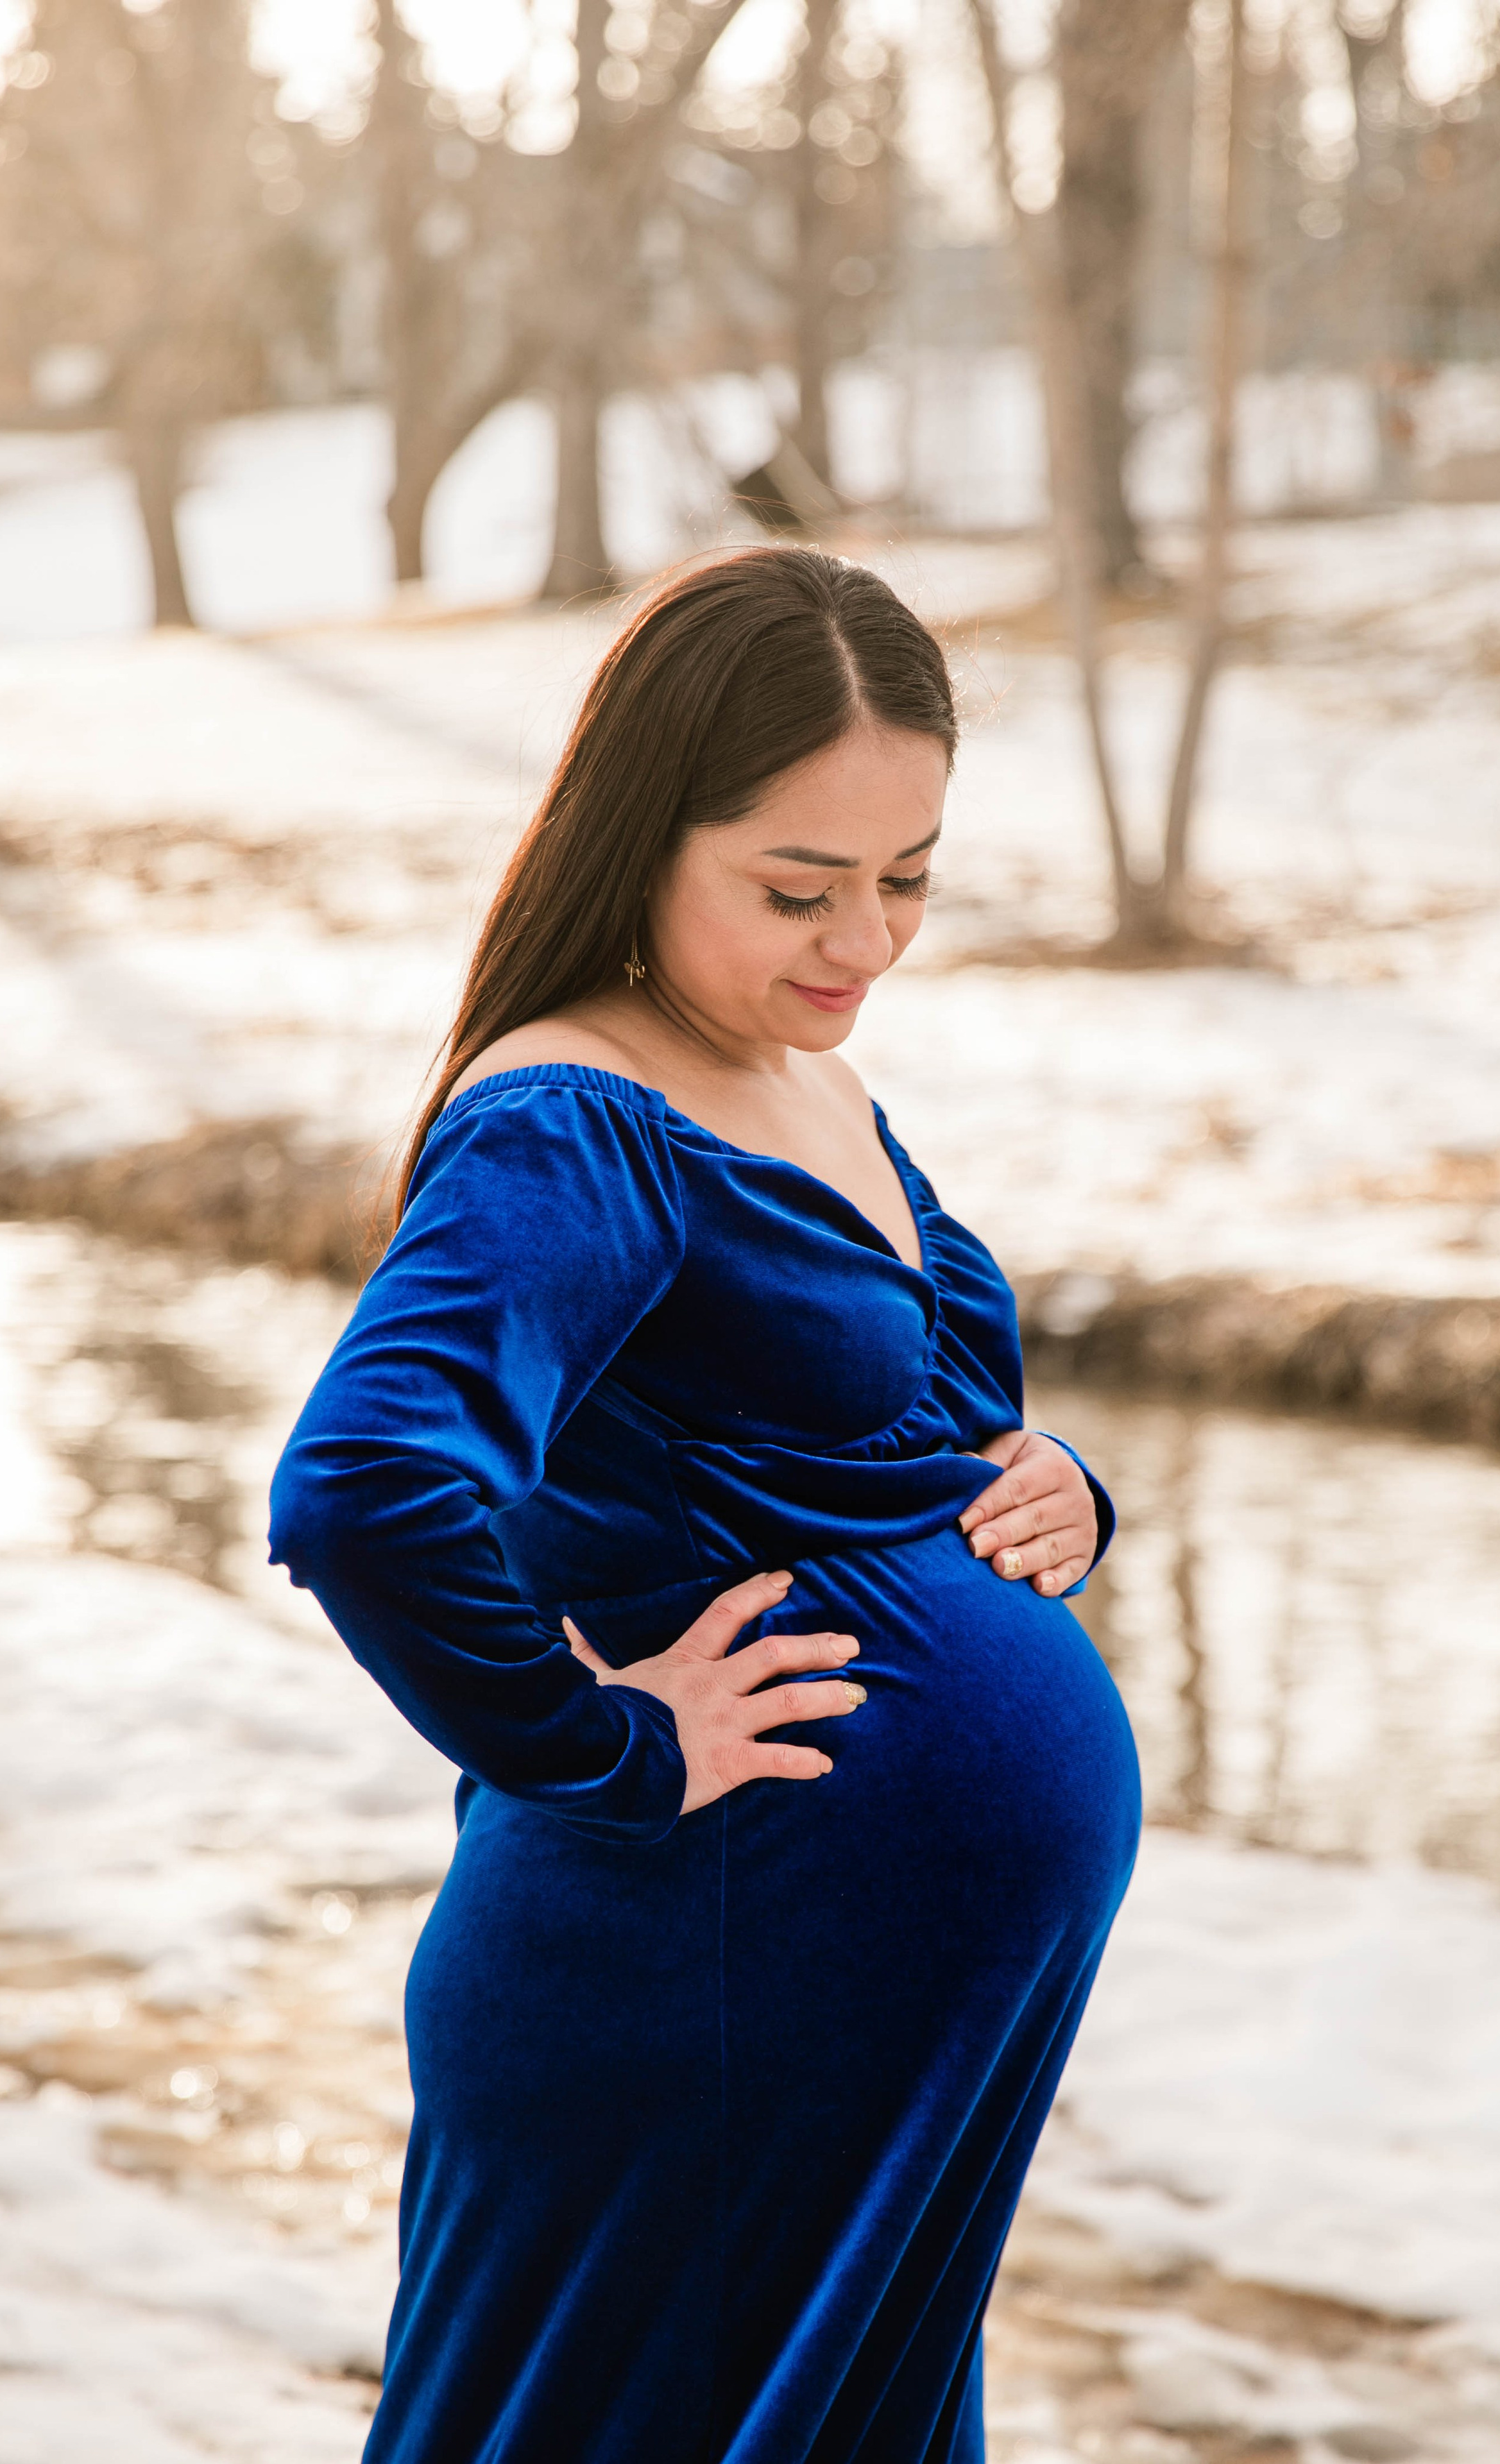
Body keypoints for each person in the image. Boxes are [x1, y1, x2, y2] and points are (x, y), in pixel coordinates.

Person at [269, 547, 1141, 2464]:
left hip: (852, 2028)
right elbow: (365, 1489)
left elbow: (869, 1432)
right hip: (696, 1993)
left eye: (909, 876)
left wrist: (1054, 1487)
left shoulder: (788, 1071)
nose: (866, 941)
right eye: (799, 887)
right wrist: (614, 1746)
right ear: (643, 836)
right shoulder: (572, 1123)